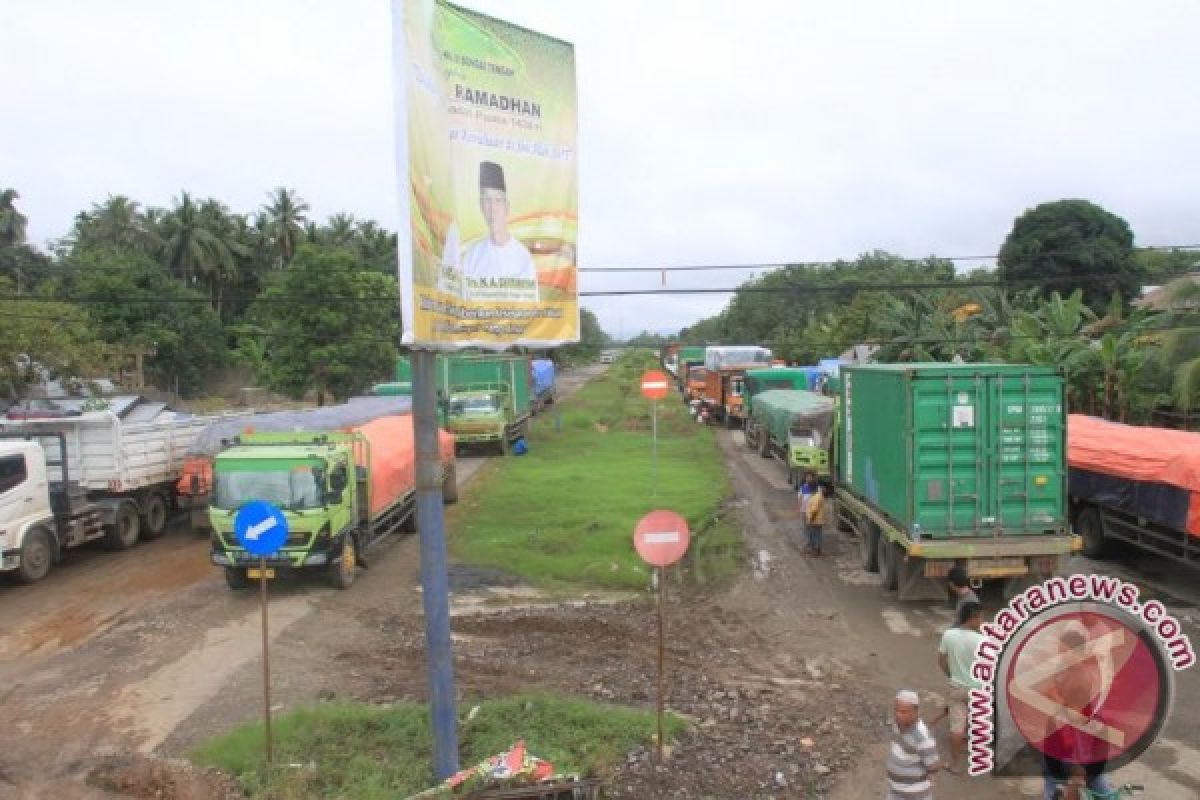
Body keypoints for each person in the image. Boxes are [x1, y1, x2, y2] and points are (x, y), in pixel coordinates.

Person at [1039, 626, 1114, 800]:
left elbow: (1101, 758)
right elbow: (1050, 758)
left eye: (1064, 651)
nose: (1060, 655)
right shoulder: (1056, 721)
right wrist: (1065, 780)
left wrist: (1084, 777)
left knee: (1109, 795)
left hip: (1087, 769)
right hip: (1060, 769)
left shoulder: (1098, 722)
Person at [460, 161, 539, 303]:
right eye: (487, 200)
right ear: (481, 207)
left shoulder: (523, 258)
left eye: (498, 200)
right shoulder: (472, 256)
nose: (492, 208)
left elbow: (531, 310)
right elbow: (463, 305)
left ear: (507, 207)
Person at [937, 601, 985, 773]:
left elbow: (941, 660)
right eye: (980, 617)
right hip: (978, 689)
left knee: (956, 726)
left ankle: (955, 764)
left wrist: (950, 674)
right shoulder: (983, 640)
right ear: (973, 618)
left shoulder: (949, 635)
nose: (982, 621)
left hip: (957, 687)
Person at [886, 690, 940, 800]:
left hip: (914, 792)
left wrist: (929, 774)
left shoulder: (922, 737)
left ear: (916, 711)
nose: (898, 715)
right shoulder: (897, 724)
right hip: (896, 789)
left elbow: (934, 765)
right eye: (896, 710)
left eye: (903, 712)